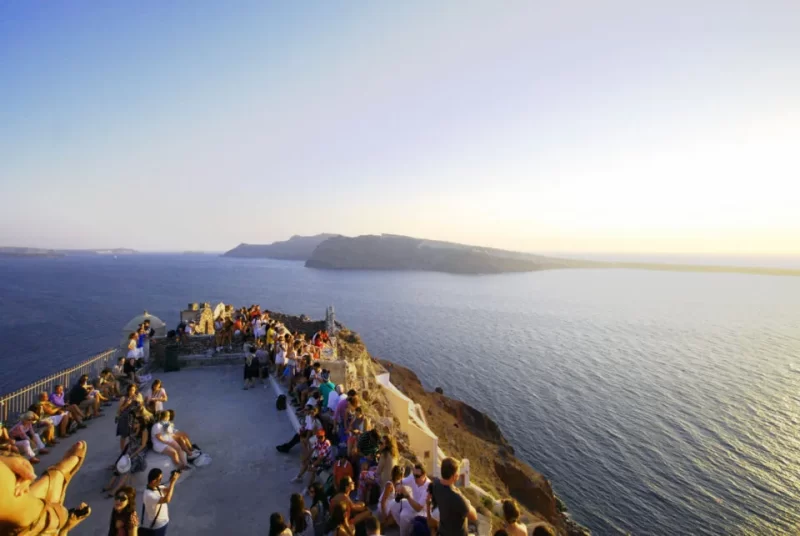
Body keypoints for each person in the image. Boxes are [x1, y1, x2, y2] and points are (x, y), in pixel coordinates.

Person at [430, 458, 477, 536]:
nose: (459, 474)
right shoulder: (457, 498)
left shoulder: (436, 485)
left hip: (443, 532)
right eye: (457, 472)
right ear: (454, 476)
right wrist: (467, 502)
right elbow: (474, 516)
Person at [104, 417, 149, 498]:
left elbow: (143, 445)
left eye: (136, 423)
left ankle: (116, 489)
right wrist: (127, 452)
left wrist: (133, 454)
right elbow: (130, 441)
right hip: (131, 449)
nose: (134, 424)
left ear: (141, 424)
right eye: (134, 422)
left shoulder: (144, 431)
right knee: (119, 465)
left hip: (139, 452)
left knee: (127, 469)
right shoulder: (133, 429)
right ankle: (110, 485)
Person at [142, 468, 179, 535]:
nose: (161, 480)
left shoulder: (157, 486)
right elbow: (167, 499)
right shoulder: (149, 495)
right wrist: (173, 482)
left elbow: (168, 491)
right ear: (153, 481)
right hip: (158, 525)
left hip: (164, 521)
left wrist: (172, 480)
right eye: (160, 479)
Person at [117, 384, 144, 451]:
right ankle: (122, 450)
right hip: (125, 418)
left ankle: (134, 447)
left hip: (135, 417)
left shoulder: (138, 396)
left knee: (134, 434)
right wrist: (126, 404)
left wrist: (139, 401)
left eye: (133, 390)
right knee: (124, 435)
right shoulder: (124, 398)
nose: (132, 392)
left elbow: (143, 405)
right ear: (128, 390)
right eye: (131, 390)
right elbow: (119, 410)